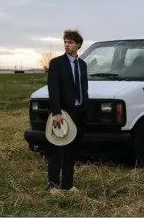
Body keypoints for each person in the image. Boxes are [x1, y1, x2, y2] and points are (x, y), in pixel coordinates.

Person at [45, 29, 89, 194]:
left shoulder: (82, 65)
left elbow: (84, 89)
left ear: (78, 45)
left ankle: (67, 185)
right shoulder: (56, 63)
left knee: (72, 151)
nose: (67, 45)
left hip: (78, 112)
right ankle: (52, 185)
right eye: (65, 42)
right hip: (62, 113)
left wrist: (86, 110)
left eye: (70, 42)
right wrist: (56, 112)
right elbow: (53, 90)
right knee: (58, 149)